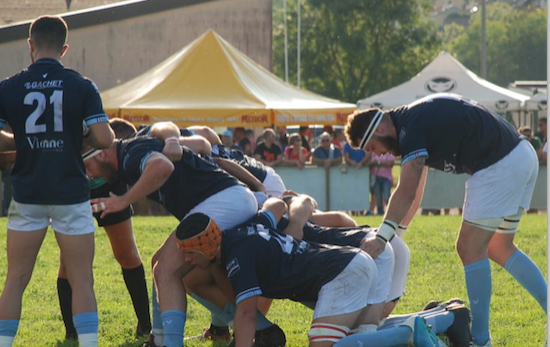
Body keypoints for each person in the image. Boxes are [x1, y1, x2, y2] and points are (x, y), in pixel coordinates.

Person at [345, 93, 547, 347]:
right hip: (520, 153)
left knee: (469, 247)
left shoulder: (410, 127)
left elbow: (406, 189)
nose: (378, 155)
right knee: (499, 247)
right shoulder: (411, 122)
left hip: (499, 162)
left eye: (373, 147)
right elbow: (417, 186)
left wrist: (382, 236)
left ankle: (481, 340)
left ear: (381, 128)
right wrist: (399, 232)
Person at [83, 136, 278, 347]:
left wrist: (123, 200)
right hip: (229, 199)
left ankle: (171, 343)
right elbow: (197, 146)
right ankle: (160, 339)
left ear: (101, 153)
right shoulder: (134, 148)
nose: (89, 174)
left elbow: (162, 166)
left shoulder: (130, 156)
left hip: (224, 201)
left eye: (86, 166)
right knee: (162, 264)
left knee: (166, 270)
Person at [175, 198, 442, 347]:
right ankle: (441, 319)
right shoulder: (249, 228)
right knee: (364, 334)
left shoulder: (237, 255)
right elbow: (275, 206)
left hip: (344, 269)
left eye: (189, 252)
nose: (185, 259)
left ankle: (409, 330)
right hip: (352, 263)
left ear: (207, 246)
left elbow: (246, 313)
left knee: (332, 345)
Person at [0, 15, 115, 347]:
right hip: (70, 192)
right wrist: (79, 141)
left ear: (30, 45)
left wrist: (15, 140)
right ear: (65, 48)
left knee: (16, 279)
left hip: (27, 192)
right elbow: (105, 139)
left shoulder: (9, 86)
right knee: (82, 279)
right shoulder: (82, 85)